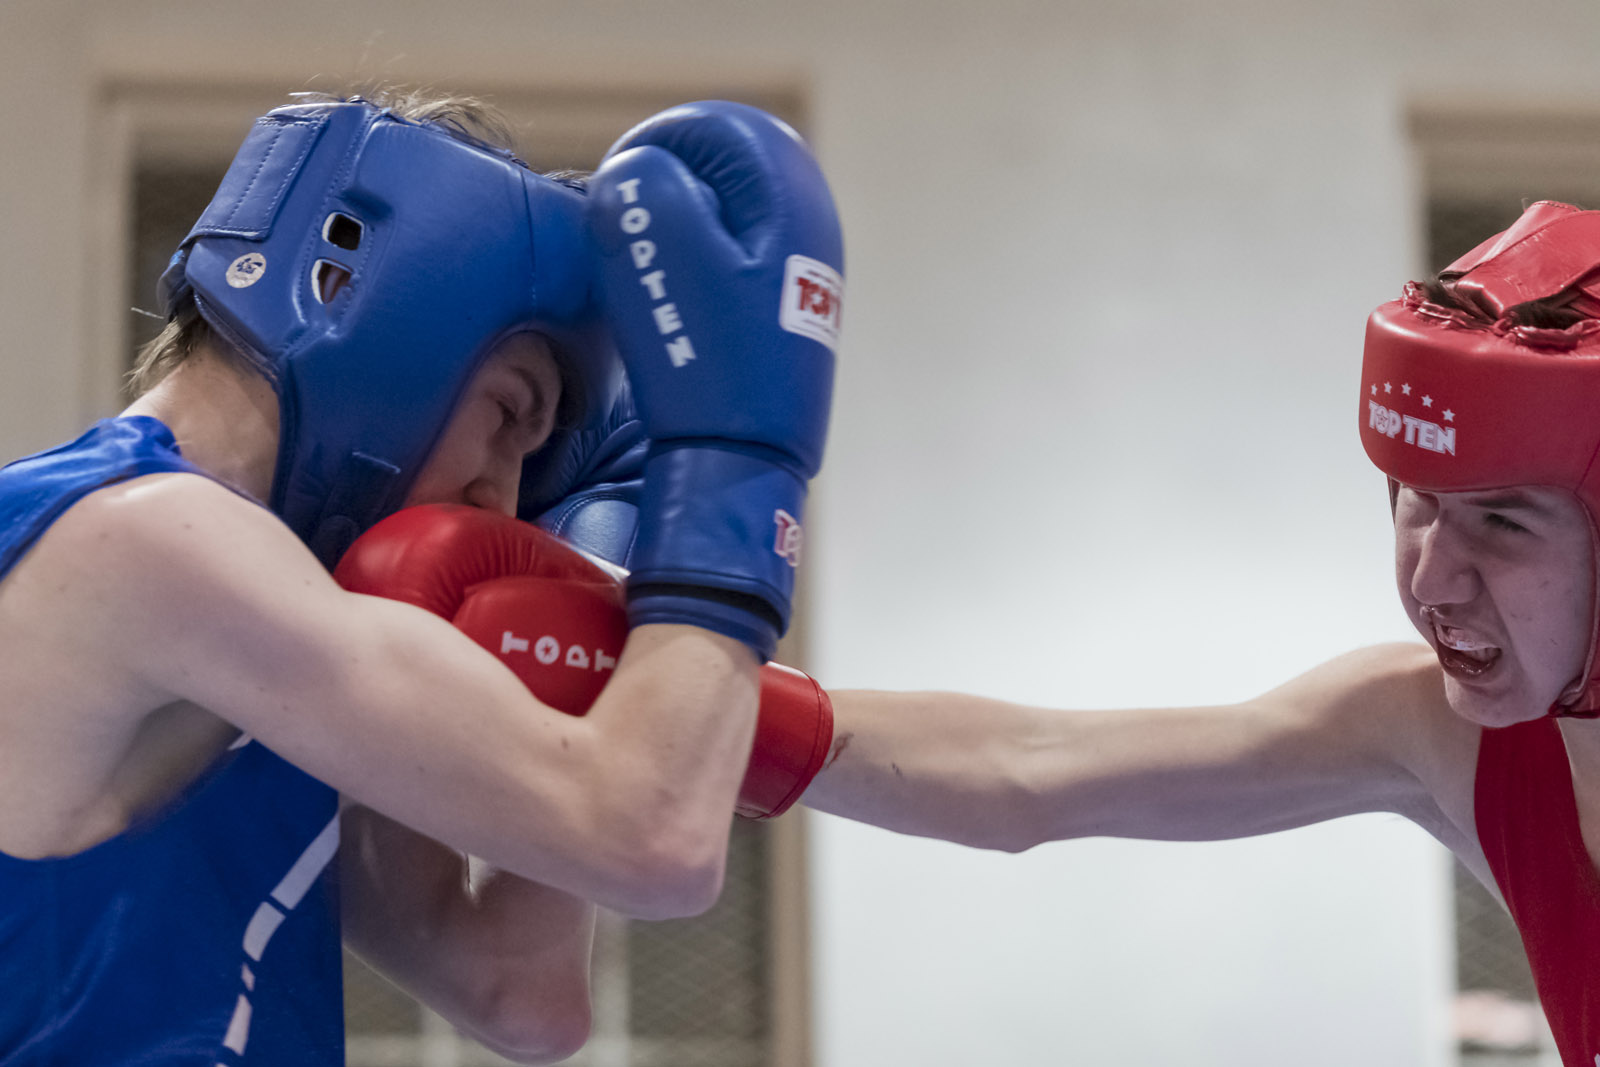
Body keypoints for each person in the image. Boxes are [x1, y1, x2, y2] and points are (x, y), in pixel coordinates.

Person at [533, 198, 1600, 1064]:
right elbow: (1030, 768)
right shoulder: (1442, 732)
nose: (1430, 576)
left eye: (1502, 522)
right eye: (1414, 502)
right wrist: (678, 665)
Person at [0, 89, 842, 1065]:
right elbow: (654, 840)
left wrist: (575, 630)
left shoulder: (279, 624)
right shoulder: (144, 538)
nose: (502, 497)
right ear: (372, 310)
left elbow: (518, 992)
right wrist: (735, 471)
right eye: (509, 415)